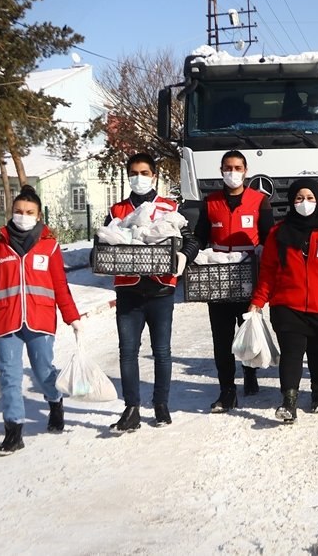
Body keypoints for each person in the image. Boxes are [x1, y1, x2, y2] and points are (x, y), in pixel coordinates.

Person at [0, 185, 84, 455]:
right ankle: (13, 431)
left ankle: (55, 401)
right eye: (19, 211)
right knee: (9, 376)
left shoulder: (49, 246)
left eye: (29, 212)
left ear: (38, 216)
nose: (23, 216)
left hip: (39, 319)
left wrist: (72, 317)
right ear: (12, 213)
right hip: (6, 320)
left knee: (43, 372)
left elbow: (60, 286)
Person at [249, 179, 318, 423]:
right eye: (299, 198)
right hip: (287, 306)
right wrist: (258, 301)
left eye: (310, 198)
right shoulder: (278, 234)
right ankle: (289, 402)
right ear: (292, 202)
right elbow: (268, 273)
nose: (304, 203)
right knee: (291, 353)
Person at [105, 152, 199, 432]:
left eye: (144, 173)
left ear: (154, 176)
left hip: (161, 290)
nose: (139, 178)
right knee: (127, 352)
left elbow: (191, 240)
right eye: (134, 173)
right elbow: (102, 243)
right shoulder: (117, 210)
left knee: (162, 351)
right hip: (128, 291)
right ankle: (131, 408)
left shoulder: (169, 208)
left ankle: (161, 404)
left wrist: (183, 256)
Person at [195, 150, 274, 412]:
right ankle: (227, 390)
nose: (233, 172)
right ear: (221, 171)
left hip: (248, 277)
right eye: (228, 168)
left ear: (246, 171)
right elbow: (200, 237)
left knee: (247, 330)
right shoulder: (211, 202)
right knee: (222, 338)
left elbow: (269, 238)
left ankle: (250, 373)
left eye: (238, 168)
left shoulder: (259, 201)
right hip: (218, 278)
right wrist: (190, 254)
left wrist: (266, 259)